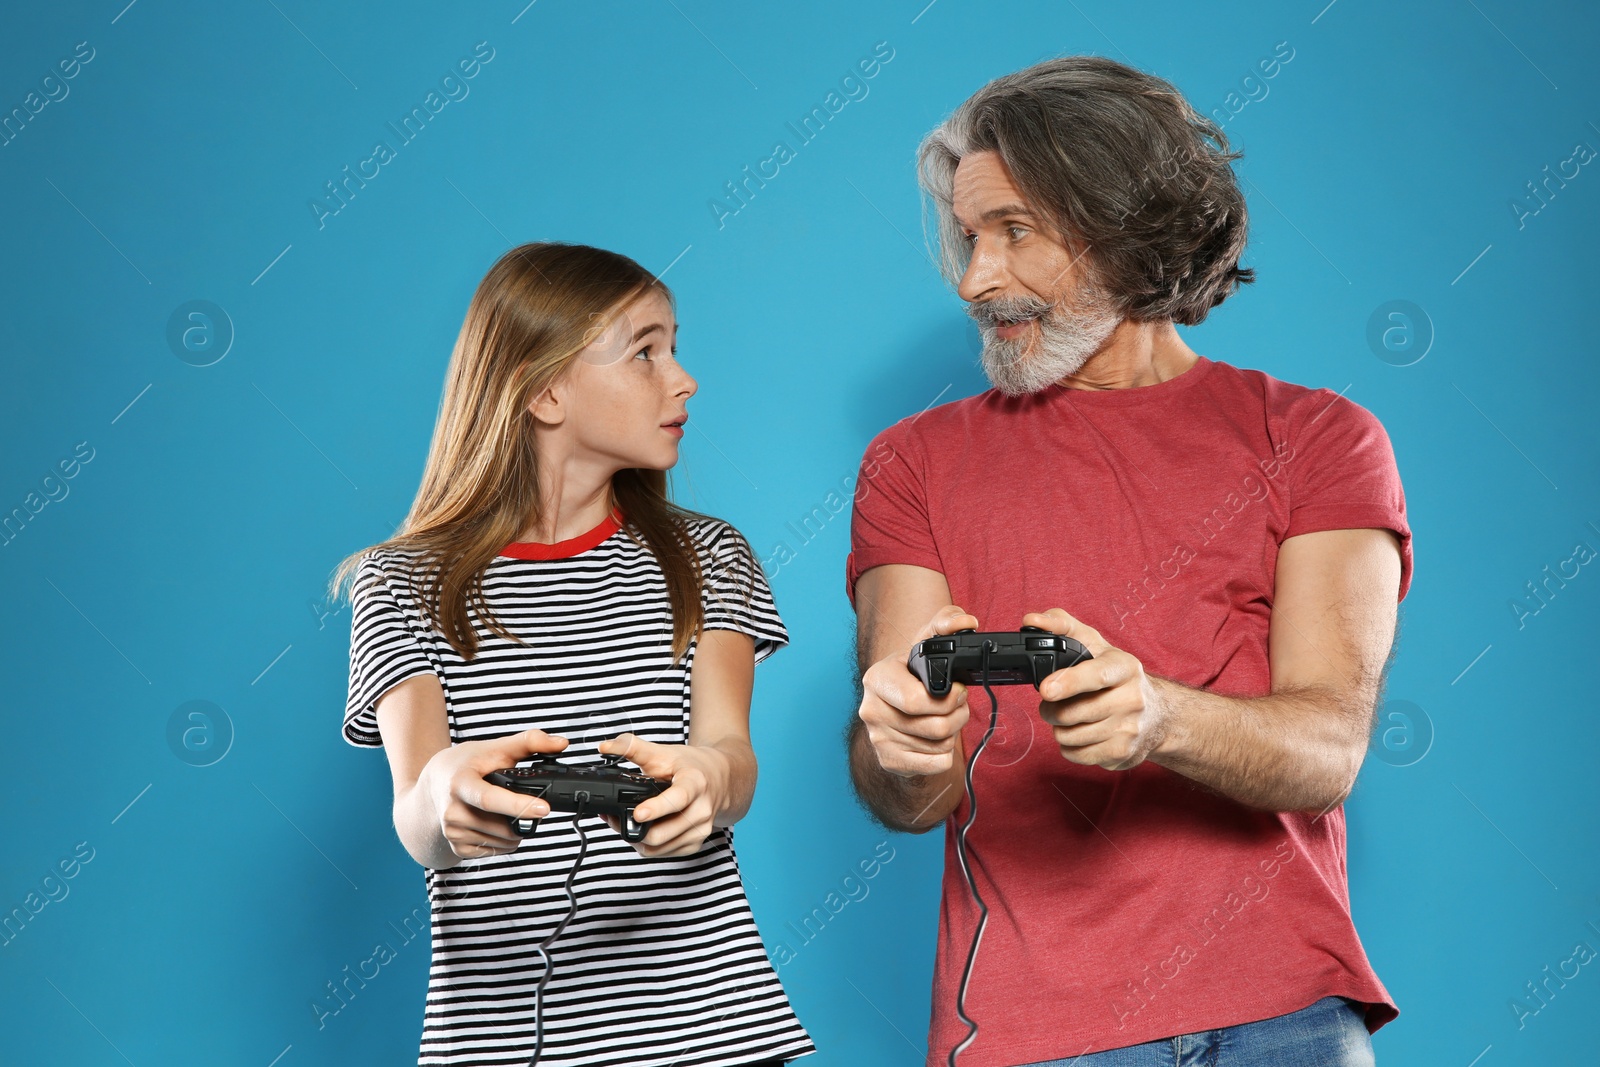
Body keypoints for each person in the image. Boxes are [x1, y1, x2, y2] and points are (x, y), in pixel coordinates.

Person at [845, 57, 1411, 1067]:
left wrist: (1159, 715)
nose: (976, 279)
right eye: (970, 239)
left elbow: (1328, 751)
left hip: (1286, 1019)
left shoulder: (1318, 438)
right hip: (1030, 1031)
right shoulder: (911, 463)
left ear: (1125, 224)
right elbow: (905, 793)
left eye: (1013, 231)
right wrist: (905, 744)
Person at [332, 242, 815, 1067]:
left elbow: (732, 755)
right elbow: (416, 814)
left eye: (673, 346)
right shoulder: (402, 582)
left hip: (711, 1038)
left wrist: (706, 781)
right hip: (492, 1041)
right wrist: (447, 789)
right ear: (545, 390)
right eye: (645, 351)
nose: (683, 377)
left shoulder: (709, 557)